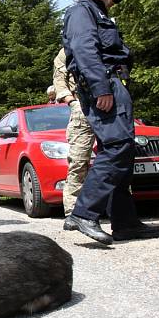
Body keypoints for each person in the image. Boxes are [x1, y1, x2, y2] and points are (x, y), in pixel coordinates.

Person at [62, 0, 159, 245]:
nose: (113, 2)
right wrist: (101, 88)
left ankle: (125, 222)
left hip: (113, 82)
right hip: (104, 83)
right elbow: (84, 50)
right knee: (117, 146)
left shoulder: (95, 14)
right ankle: (84, 213)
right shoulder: (82, 11)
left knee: (124, 152)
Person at [52, 47, 93, 219]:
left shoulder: (104, 42)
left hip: (109, 105)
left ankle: (119, 209)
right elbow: (59, 80)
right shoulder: (66, 52)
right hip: (81, 108)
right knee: (78, 161)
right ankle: (73, 213)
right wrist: (72, 102)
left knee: (115, 158)